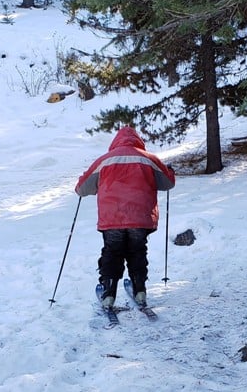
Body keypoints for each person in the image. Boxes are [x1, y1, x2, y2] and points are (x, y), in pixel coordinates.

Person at [75, 127, 175, 311]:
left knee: (112, 253)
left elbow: (82, 188)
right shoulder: (148, 159)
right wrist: (169, 171)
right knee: (137, 252)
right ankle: (140, 290)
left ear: (115, 142)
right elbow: (168, 183)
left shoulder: (105, 160)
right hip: (140, 218)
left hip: (112, 219)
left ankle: (108, 293)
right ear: (138, 141)